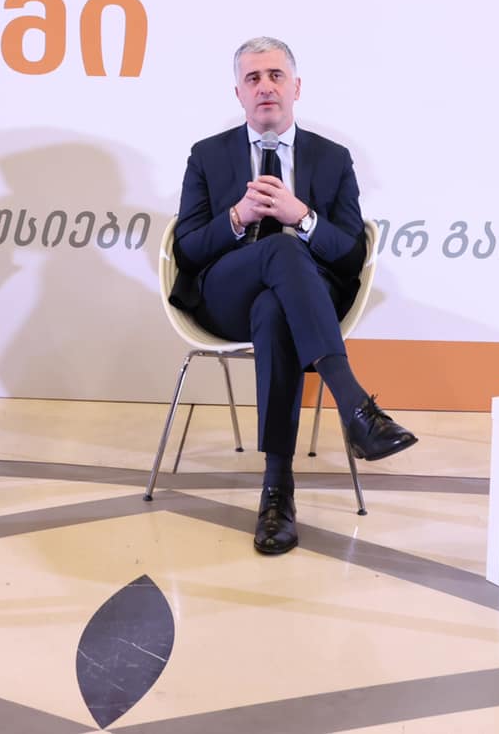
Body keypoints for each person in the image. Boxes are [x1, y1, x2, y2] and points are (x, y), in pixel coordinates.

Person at [170, 35, 417, 555]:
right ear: (238, 93)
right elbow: (187, 250)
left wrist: (301, 217)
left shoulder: (332, 159)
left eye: (275, 76)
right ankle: (355, 406)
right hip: (225, 296)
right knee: (277, 257)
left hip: (301, 303)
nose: (265, 87)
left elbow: (350, 256)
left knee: (275, 307)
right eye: (253, 78)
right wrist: (237, 217)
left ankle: (277, 492)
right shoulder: (207, 155)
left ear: (296, 88)